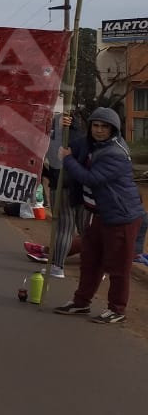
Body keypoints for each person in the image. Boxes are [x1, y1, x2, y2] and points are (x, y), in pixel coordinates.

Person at [53, 107, 146, 324]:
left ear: (114, 129)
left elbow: (90, 178)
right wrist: (65, 126)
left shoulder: (115, 153)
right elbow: (74, 143)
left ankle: (117, 308)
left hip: (122, 217)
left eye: (105, 127)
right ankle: (81, 302)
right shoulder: (92, 143)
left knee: (118, 267)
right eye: (96, 125)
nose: (99, 130)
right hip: (98, 215)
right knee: (90, 261)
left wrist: (67, 160)